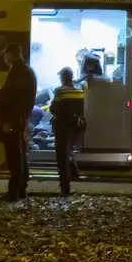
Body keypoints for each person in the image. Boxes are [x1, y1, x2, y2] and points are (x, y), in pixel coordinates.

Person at [0, 42, 37, 201]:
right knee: (20, 154)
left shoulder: (17, 71)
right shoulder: (27, 71)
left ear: (12, 55)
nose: (5, 58)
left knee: (13, 156)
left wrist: (8, 120)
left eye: (6, 54)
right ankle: (21, 189)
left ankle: (14, 193)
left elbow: (12, 98)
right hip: (21, 118)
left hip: (14, 119)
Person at [49, 67, 85, 196]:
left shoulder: (60, 91)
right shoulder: (80, 89)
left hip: (63, 127)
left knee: (62, 158)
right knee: (69, 152)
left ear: (63, 78)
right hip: (76, 127)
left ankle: (65, 188)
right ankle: (74, 173)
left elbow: (54, 108)